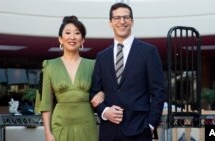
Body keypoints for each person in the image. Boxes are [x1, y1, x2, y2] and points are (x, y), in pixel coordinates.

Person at [90, 2, 166, 141]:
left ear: (132, 21)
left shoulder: (148, 52)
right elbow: (95, 92)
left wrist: (150, 125)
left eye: (126, 17)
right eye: (117, 18)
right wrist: (105, 111)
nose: (122, 21)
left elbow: (159, 91)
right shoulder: (102, 56)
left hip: (140, 130)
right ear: (110, 23)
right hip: (109, 131)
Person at [39, 15, 99, 141]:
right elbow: (46, 103)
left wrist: (102, 94)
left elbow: (103, 91)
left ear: (82, 40)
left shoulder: (93, 65)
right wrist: (47, 133)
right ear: (60, 39)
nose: (72, 37)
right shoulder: (50, 66)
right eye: (67, 33)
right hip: (59, 127)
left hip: (87, 126)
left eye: (77, 33)